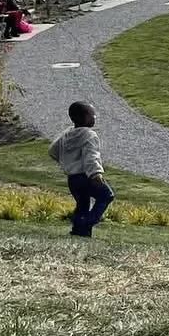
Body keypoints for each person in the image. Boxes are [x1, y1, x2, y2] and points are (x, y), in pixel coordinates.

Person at [49, 100, 114, 239]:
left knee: (82, 203)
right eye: (92, 115)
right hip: (87, 177)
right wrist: (96, 174)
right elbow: (91, 156)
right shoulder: (89, 135)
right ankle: (87, 222)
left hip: (72, 179)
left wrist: (67, 163)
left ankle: (79, 231)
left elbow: (53, 150)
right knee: (106, 196)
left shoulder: (68, 133)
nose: (95, 117)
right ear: (85, 117)